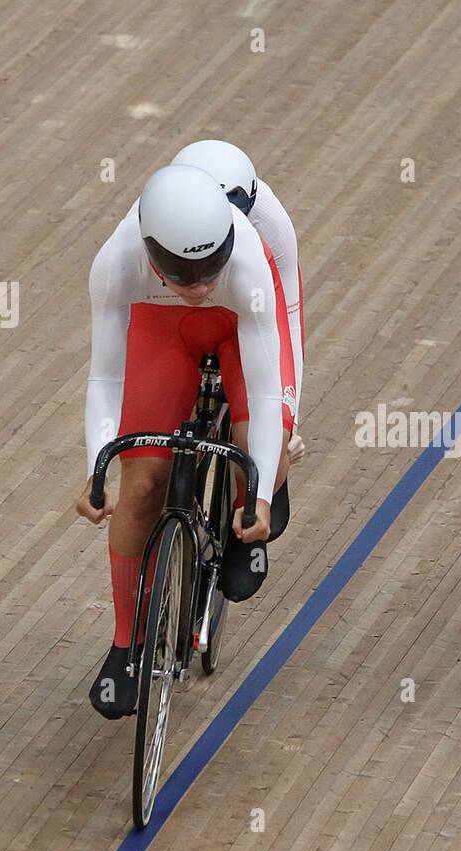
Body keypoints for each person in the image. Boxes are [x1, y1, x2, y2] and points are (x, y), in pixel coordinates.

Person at [77, 164, 289, 719]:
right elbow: (105, 376)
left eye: (208, 268)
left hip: (243, 326)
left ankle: (246, 523)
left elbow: (269, 394)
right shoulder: (115, 263)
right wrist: (96, 473)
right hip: (160, 325)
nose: (197, 285)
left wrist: (260, 493)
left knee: (264, 446)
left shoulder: (250, 262)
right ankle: (125, 644)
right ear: (149, 249)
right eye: (181, 271)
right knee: (143, 486)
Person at [171, 140, 307, 472]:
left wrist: (290, 418)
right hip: (180, 304)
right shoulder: (161, 212)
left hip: (247, 304)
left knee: (268, 452)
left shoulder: (271, 224)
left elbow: (288, 318)